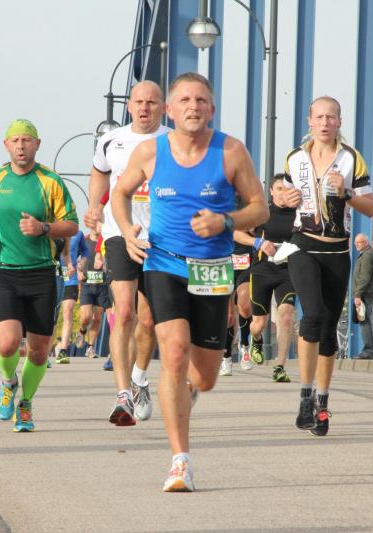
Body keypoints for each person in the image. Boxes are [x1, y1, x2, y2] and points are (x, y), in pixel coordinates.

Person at [112, 72, 268, 492]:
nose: (193, 107)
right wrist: (127, 231)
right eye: (184, 100)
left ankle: (186, 393)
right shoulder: (150, 151)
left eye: (200, 100)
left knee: (205, 378)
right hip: (163, 262)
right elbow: (119, 193)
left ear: (211, 110)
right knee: (175, 351)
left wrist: (226, 220)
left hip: (212, 268)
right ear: (170, 110)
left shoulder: (231, 151)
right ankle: (180, 462)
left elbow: (261, 208)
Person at [0, 118, 79, 432]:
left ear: (37, 144)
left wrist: (43, 228)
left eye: (27, 140)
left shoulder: (51, 181)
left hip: (42, 274)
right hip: (4, 271)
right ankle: (8, 381)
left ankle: (26, 403)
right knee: (7, 344)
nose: (21, 146)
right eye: (15, 140)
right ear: (6, 145)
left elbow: (72, 225)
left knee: (38, 349)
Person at [284, 96, 373, 436]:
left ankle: (322, 402)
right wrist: (283, 199)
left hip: (336, 251)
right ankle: (305, 396)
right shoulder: (295, 158)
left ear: (339, 122)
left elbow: (371, 207)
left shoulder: (351, 158)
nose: (325, 123)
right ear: (309, 121)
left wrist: (346, 193)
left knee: (328, 329)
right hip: (302, 245)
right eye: (319, 117)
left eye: (331, 117)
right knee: (313, 316)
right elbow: (282, 200)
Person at [84, 80, 170, 425]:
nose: (145, 107)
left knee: (148, 320)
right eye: (139, 102)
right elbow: (99, 173)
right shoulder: (111, 140)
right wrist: (94, 206)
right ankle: (122, 395)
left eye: (152, 102)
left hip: (161, 236)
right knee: (124, 311)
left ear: (163, 107)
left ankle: (139, 378)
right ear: (129, 106)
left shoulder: (173, 141)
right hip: (119, 232)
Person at [247, 173, 298, 381]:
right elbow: (236, 233)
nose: (283, 193)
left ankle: (280, 366)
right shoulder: (262, 213)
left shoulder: (298, 214)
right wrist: (257, 243)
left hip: (288, 271)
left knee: (286, 315)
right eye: (279, 189)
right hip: (262, 270)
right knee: (259, 323)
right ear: (271, 191)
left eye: (287, 189)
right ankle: (256, 338)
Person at [220, 228, 256, 376]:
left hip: (245, 258)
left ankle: (245, 345)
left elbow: (257, 228)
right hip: (223, 258)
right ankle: (226, 357)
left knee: (245, 306)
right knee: (229, 315)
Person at [77, 226, 109, 359]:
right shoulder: (83, 240)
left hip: (102, 285)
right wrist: (78, 272)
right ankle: (82, 330)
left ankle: (90, 347)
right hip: (87, 284)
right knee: (86, 316)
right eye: (94, 224)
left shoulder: (106, 240)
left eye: (99, 223)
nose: (97, 226)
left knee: (97, 318)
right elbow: (73, 258)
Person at [56, 230, 87, 364]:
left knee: (67, 311)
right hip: (54, 277)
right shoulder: (51, 229)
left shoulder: (78, 234)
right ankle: (46, 350)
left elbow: (85, 251)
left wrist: (81, 263)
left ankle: (63, 350)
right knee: (52, 316)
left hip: (71, 278)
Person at [351, 233, 373, 359]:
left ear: (366, 242)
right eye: (355, 243)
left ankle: (368, 350)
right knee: (363, 320)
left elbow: (364, 278)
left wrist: (357, 295)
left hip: (364, 295)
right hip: (365, 294)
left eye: (359, 242)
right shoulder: (367, 254)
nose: (356, 245)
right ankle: (368, 350)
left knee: (364, 321)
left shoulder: (367, 256)